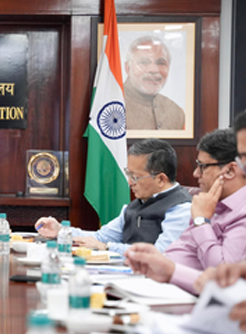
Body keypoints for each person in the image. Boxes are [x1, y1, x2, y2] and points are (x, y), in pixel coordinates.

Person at [126, 125, 246, 293]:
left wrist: (201, 222)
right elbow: (182, 250)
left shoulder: (240, 213)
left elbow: (224, 277)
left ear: (231, 170)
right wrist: (156, 259)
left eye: (203, 166)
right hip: (163, 287)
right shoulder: (208, 201)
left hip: (194, 298)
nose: (196, 173)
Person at [35, 139, 191, 254]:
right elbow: (101, 237)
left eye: (135, 177)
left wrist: (108, 248)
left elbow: (162, 254)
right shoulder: (137, 204)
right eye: (128, 174)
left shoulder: (181, 209)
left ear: (161, 179)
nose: (129, 182)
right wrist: (61, 231)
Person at [123, 35, 185, 130]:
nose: (153, 69)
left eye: (161, 63)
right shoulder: (111, 105)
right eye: (144, 62)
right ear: (128, 68)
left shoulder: (177, 113)